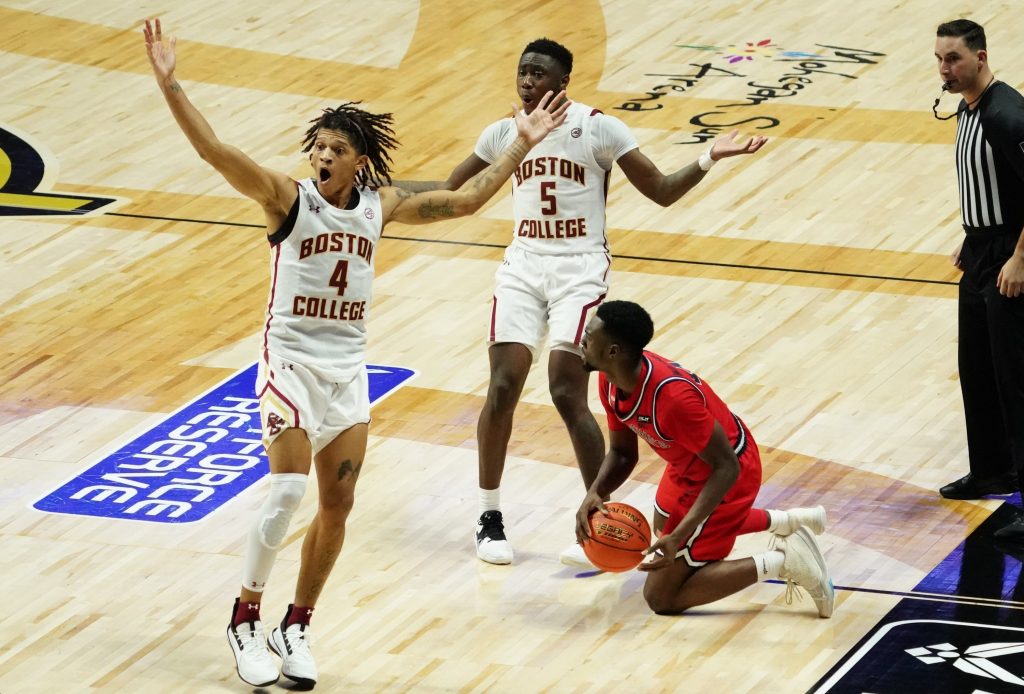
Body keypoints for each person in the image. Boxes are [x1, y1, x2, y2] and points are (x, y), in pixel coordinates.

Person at [143, 18, 569, 688]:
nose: (322, 156)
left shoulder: (381, 204)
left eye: (336, 149)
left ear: (359, 161)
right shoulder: (286, 198)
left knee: (337, 507)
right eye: (318, 146)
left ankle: (297, 624)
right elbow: (214, 151)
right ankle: (244, 617)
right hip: (289, 362)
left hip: (346, 371)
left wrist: (520, 143)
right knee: (286, 491)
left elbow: (463, 200)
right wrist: (171, 86)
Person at [395, 38, 767, 566]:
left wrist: (709, 156)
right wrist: (374, 191)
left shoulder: (598, 128)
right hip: (523, 265)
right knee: (502, 386)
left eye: (538, 72)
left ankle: (596, 519)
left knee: (567, 391)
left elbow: (660, 190)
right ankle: (489, 515)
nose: (526, 80)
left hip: (579, 268)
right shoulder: (503, 132)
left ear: (561, 83)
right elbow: (450, 191)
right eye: (522, 71)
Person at [574, 300, 834, 617]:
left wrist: (680, 536)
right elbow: (623, 453)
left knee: (661, 597)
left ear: (613, 351)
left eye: (588, 335)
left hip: (727, 473)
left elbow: (727, 468)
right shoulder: (611, 378)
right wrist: (595, 493)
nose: (582, 341)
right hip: (689, 463)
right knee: (662, 526)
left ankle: (784, 562)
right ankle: (787, 521)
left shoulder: (673, 399)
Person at [933, 20, 1024, 539]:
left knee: (1018, 379)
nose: (945, 69)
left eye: (954, 59)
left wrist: (1017, 257)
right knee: (978, 366)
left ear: (981, 57)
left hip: (1012, 257)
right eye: (940, 59)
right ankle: (992, 468)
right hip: (983, 250)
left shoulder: (1007, 115)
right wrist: (973, 238)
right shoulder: (968, 109)